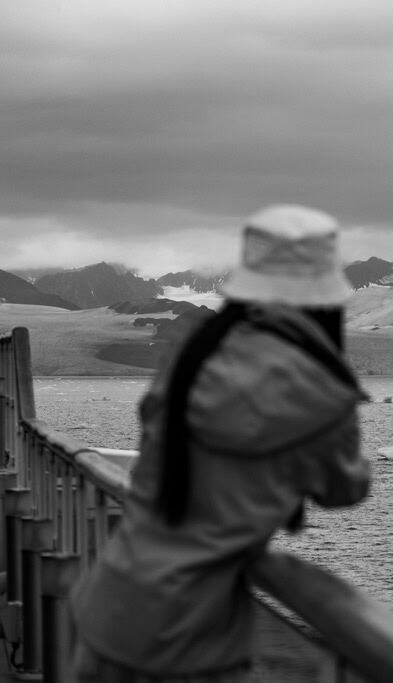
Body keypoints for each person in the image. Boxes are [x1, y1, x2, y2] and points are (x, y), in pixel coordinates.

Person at [71, 205, 372, 681]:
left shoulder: (191, 357)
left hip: (110, 607)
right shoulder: (321, 392)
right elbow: (344, 489)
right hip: (192, 639)